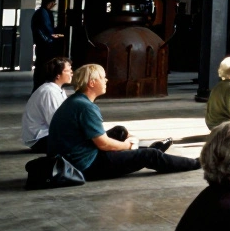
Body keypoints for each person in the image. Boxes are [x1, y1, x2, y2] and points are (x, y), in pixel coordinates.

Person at [46, 63, 200, 180]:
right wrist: (128, 145)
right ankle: (195, 163)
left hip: (73, 157)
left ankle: (145, 151)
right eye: (102, 77)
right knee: (149, 156)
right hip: (85, 165)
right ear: (92, 83)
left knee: (119, 131)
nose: (106, 80)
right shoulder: (86, 107)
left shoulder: (75, 101)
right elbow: (103, 144)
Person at [20, 56, 73, 153]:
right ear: (58, 75)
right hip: (40, 139)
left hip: (48, 134)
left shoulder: (57, 90)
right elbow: (55, 122)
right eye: (68, 71)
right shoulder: (49, 92)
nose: (71, 73)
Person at [30, 0, 64, 87]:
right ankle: (41, 84)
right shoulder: (43, 13)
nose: (53, 5)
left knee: (41, 65)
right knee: (43, 65)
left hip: (41, 43)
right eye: (53, 3)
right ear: (50, 3)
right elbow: (47, 27)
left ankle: (38, 85)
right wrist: (53, 36)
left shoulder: (40, 12)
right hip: (45, 44)